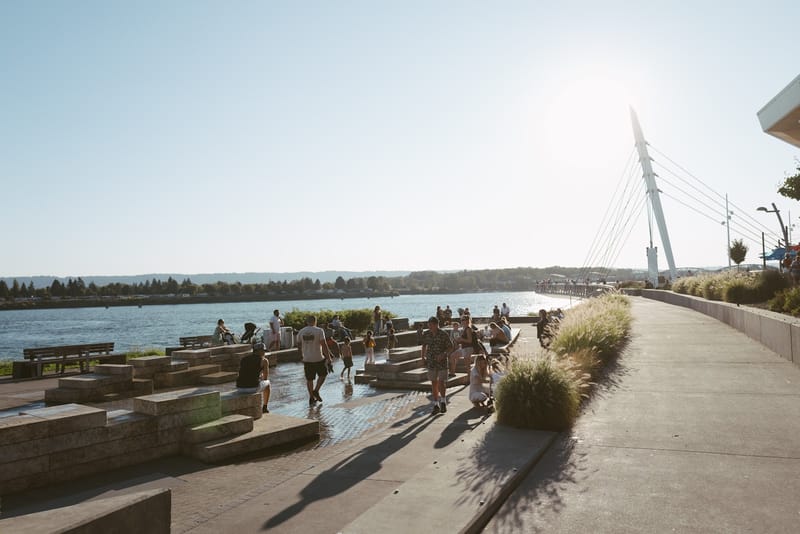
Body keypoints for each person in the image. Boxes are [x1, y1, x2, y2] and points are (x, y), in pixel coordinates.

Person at [296, 315, 333, 406]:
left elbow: (299, 345)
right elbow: (324, 345)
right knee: (323, 375)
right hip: (318, 358)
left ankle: (311, 397)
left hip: (307, 359)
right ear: (315, 321)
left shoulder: (301, 331)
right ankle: (316, 390)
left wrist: (301, 356)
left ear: (307, 322)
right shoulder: (319, 331)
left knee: (309, 379)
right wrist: (329, 358)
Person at [420, 316, 454, 415]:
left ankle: (443, 401)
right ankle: (436, 404)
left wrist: (444, 354)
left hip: (442, 362)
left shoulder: (443, 334)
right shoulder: (426, 334)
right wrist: (422, 357)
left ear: (436, 324)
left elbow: (450, 347)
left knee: (441, 382)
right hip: (431, 362)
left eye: (431, 325)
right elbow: (424, 346)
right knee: (433, 383)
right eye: (428, 325)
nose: (429, 326)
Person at [236, 342, 271, 413]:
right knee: (268, 384)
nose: (264, 353)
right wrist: (260, 377)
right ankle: (265, 407)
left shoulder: (244, 359)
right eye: (264, 351)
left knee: (257, 381)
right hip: (252, 388)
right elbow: (265, 378)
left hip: (240, 388)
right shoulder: (264, 360)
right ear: (259, 351)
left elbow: (242, 374)